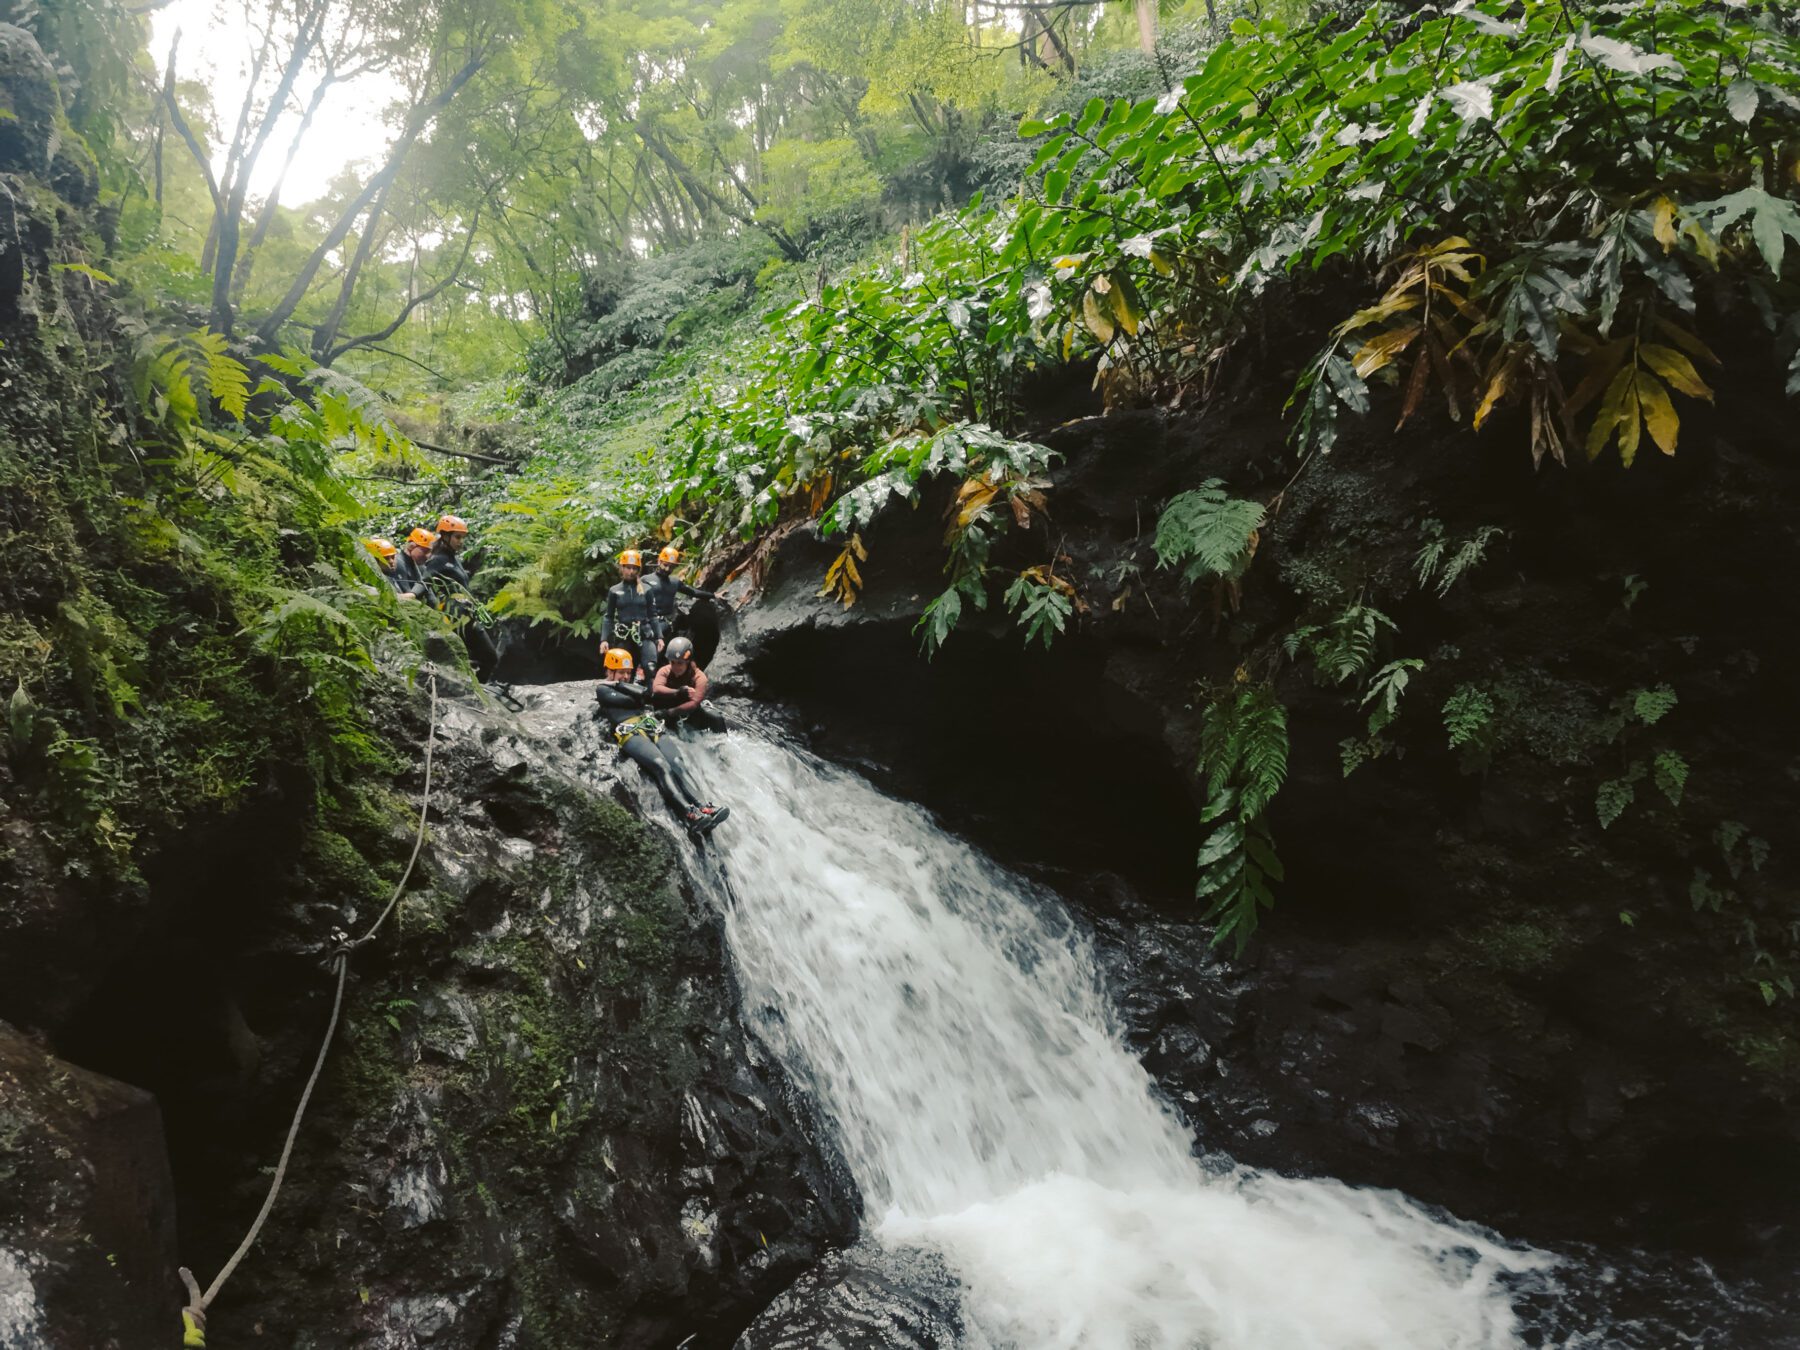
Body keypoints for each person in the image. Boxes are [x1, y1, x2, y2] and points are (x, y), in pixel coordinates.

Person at [593, 647, 729, 835]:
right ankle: (688, 813)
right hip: (630, 733)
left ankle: (704, 807)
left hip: (650, 726)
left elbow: (646, 696)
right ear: (609, 671)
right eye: (621, 673)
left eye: (627, 673)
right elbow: (637, 700)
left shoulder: (625, 687)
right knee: (661, 766)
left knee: (677, 763)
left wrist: (624, 687)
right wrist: (621, 687)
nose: (625, 677)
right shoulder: (602, 689)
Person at [423, 514, 501, 678]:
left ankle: (479, 685)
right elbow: (425, 582)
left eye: (462, 537)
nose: (461, 541)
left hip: (468, 615)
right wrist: (411, 594)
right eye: (457, 537)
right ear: (445, 536)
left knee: (490, 657)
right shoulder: (438, 559)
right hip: (455, 617)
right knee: (471, 656)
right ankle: (474, 687)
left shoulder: (453, 558)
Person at [642, 545, 716, 652]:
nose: (667, 569)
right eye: (665, 565)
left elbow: (693, 592)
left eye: (672, 567)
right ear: (659, 561)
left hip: (665, 624)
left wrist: (713, 595)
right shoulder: (646, 579)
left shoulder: (674, 582)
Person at [601, 549, 660, 678]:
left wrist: (659, 637)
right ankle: (624, 695)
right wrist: (604, 639)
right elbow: (608, 617)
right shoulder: (614, 591)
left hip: (644, 633)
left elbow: (653, 615)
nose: (631, 571)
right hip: (624, 636)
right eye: (628, 568)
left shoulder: (647, 589)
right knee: (623, 670)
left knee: (650, 667)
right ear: (621, 568)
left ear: (638, 570)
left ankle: (650, 695)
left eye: (634, 568)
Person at [650, 636, 727, 732]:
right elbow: (656, 688)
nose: (675, 667)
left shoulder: (699, 677)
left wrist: (670, 713)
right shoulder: (665, 671)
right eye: (672, 662)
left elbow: (694, 703)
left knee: (717, 719)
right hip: (665, 706)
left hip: (686, 713)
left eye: (680, 663)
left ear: (688, 662)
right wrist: (678, 692)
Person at [393, 528, 436, 601]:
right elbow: (406, 595)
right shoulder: (398, 563)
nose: (428, 556)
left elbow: (431, 598)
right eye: (425, 551)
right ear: (412, 546)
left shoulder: (421, 567)